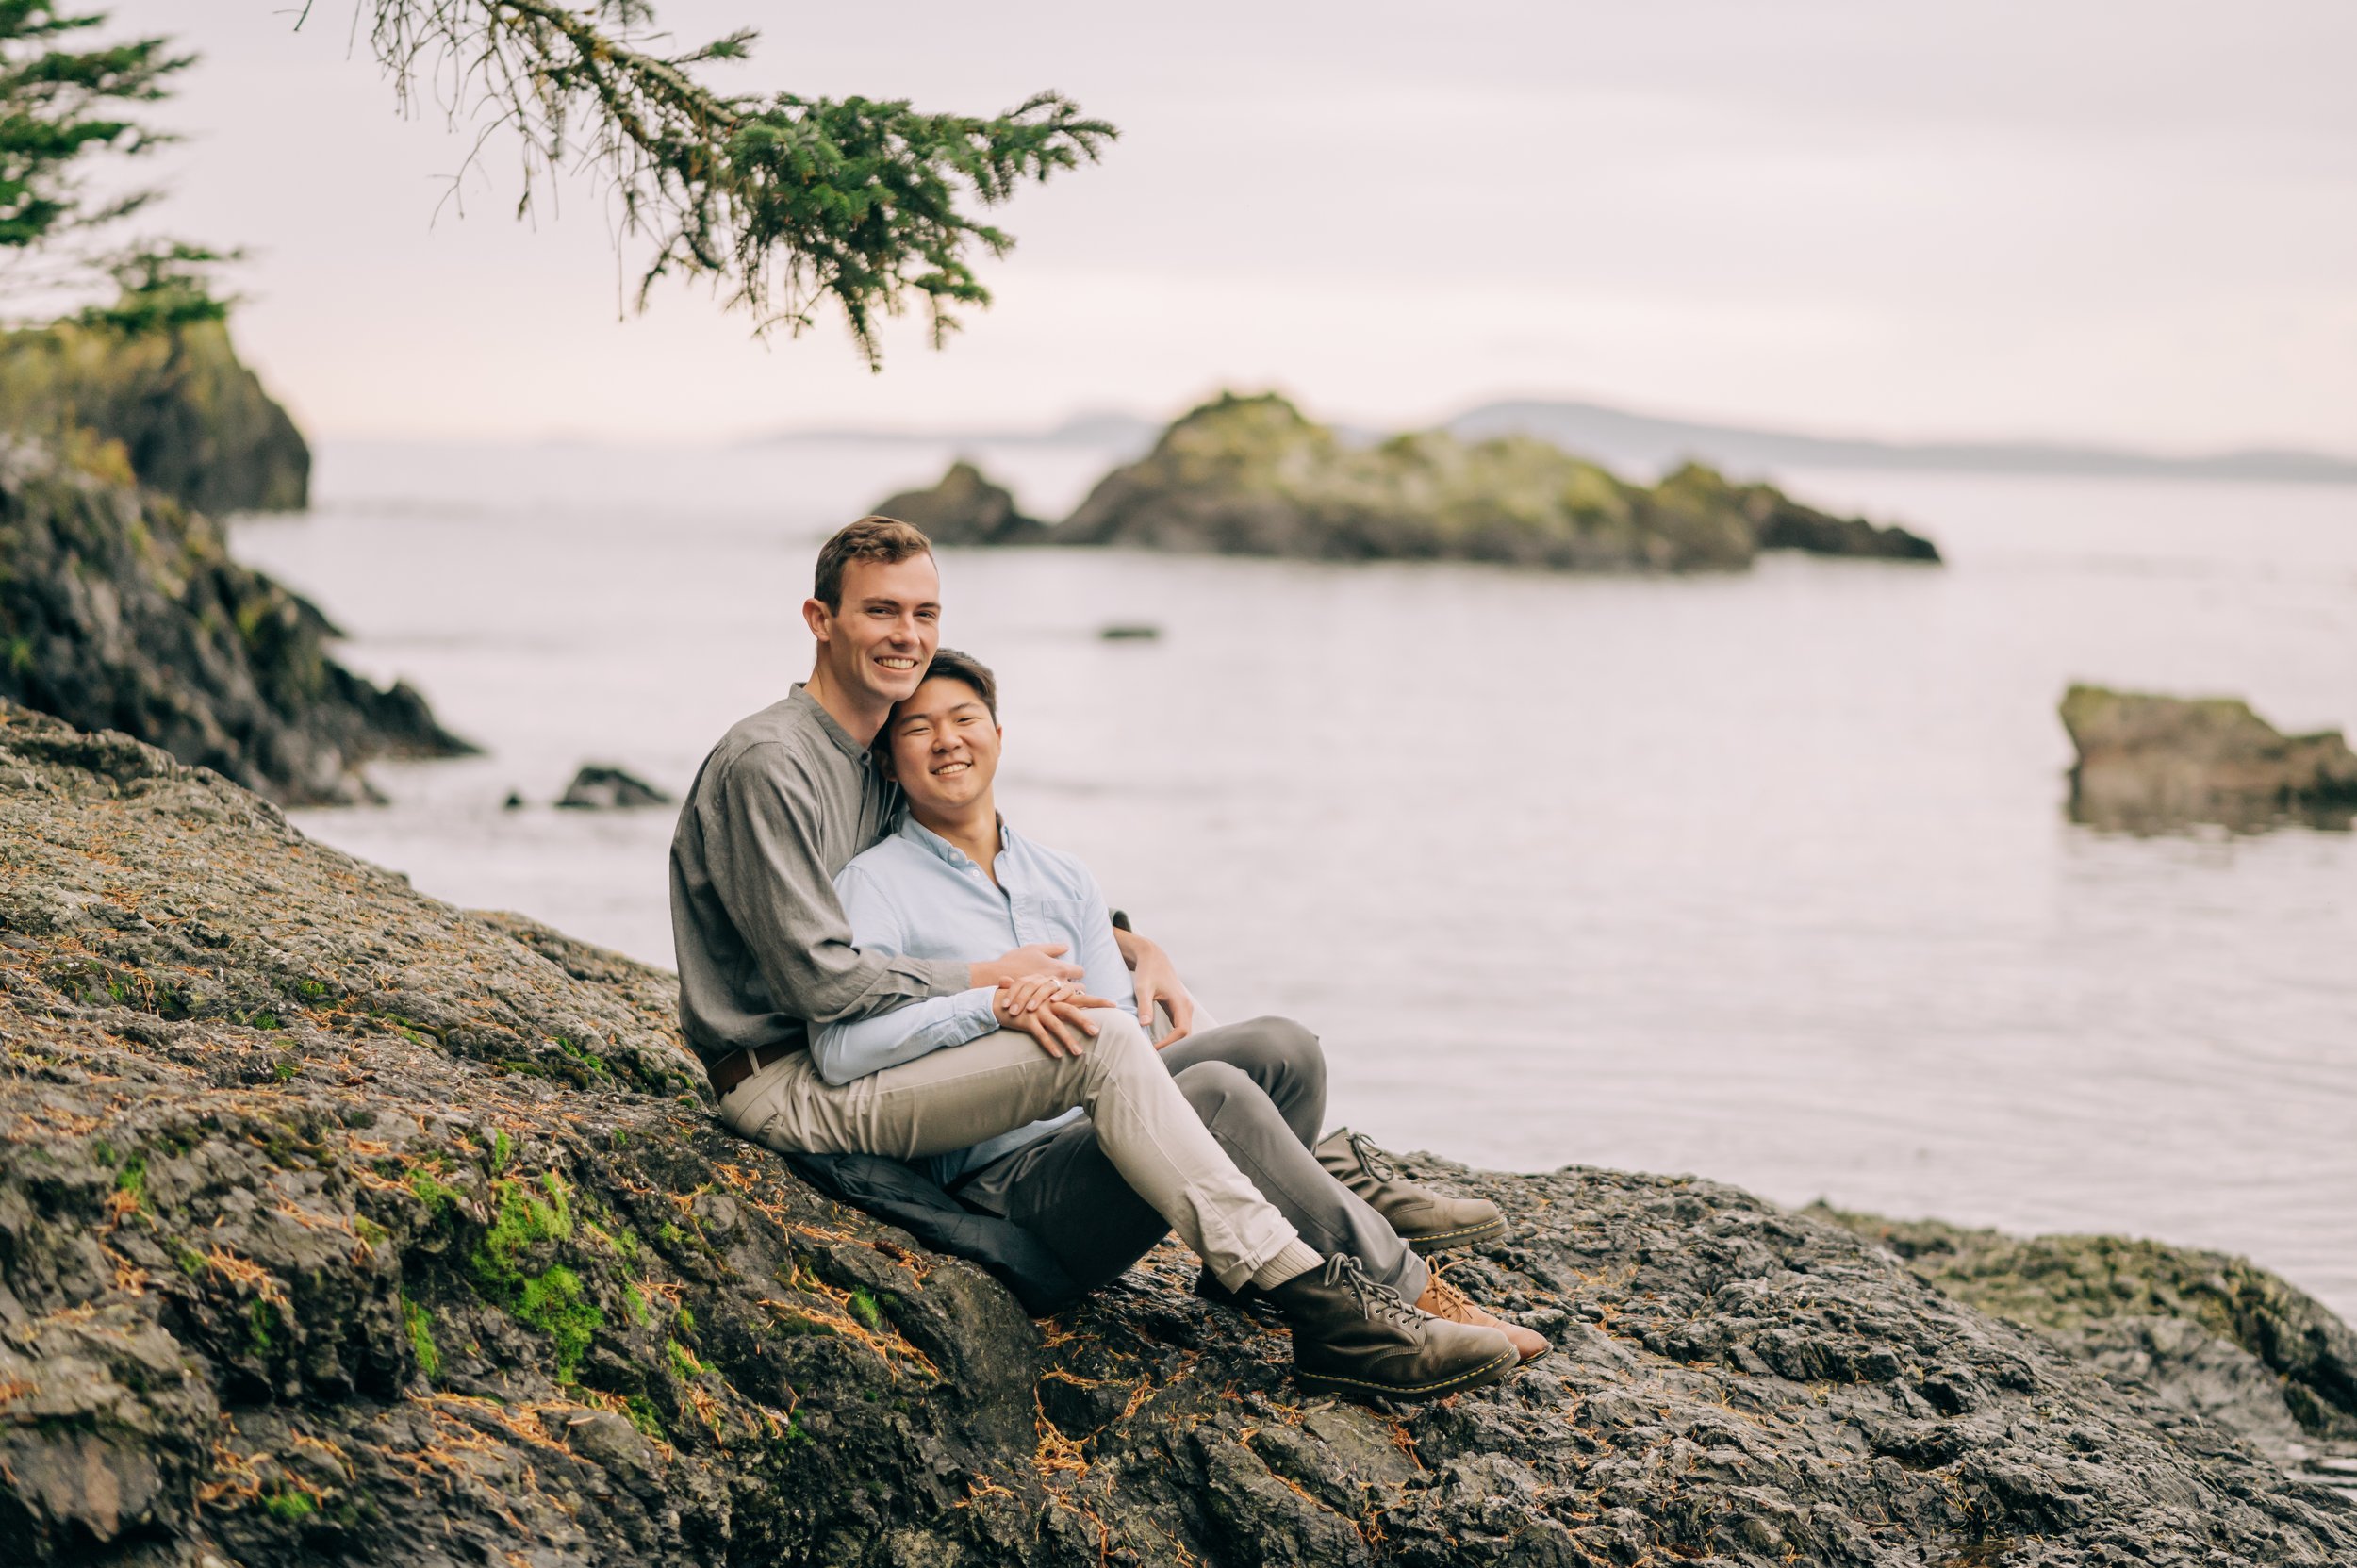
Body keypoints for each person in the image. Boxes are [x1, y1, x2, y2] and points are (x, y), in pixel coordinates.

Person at [668, 518, 1524, 1399]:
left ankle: (1316, 1193)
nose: (907, 635)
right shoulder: (774, 763)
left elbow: (962, 875)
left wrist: (1126, 941)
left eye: (925, 611)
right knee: (1111, 1043)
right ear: (820, 618)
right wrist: (988, 985)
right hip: (791, 1076)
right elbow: (824, 981)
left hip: (865, 1042)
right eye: (880, 610)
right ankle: (1325, 1303)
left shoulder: (876, 754)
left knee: (1277, 1048)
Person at [814, 647, 1547, 1368]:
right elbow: (843, 1045)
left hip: (1113, 1129)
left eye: (965, 717)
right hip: (1012, 1186)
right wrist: (988, 1002)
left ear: (999, 737)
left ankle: (1251, 1270)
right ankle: (1401, 1293)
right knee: (1217, 1094)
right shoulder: (877, 884)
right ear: (888, 760)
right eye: (918, 729)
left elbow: (1126, 1037)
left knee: (1284, 1049)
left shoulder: (1062, 877)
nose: (947, 740)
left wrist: (1140, 955)